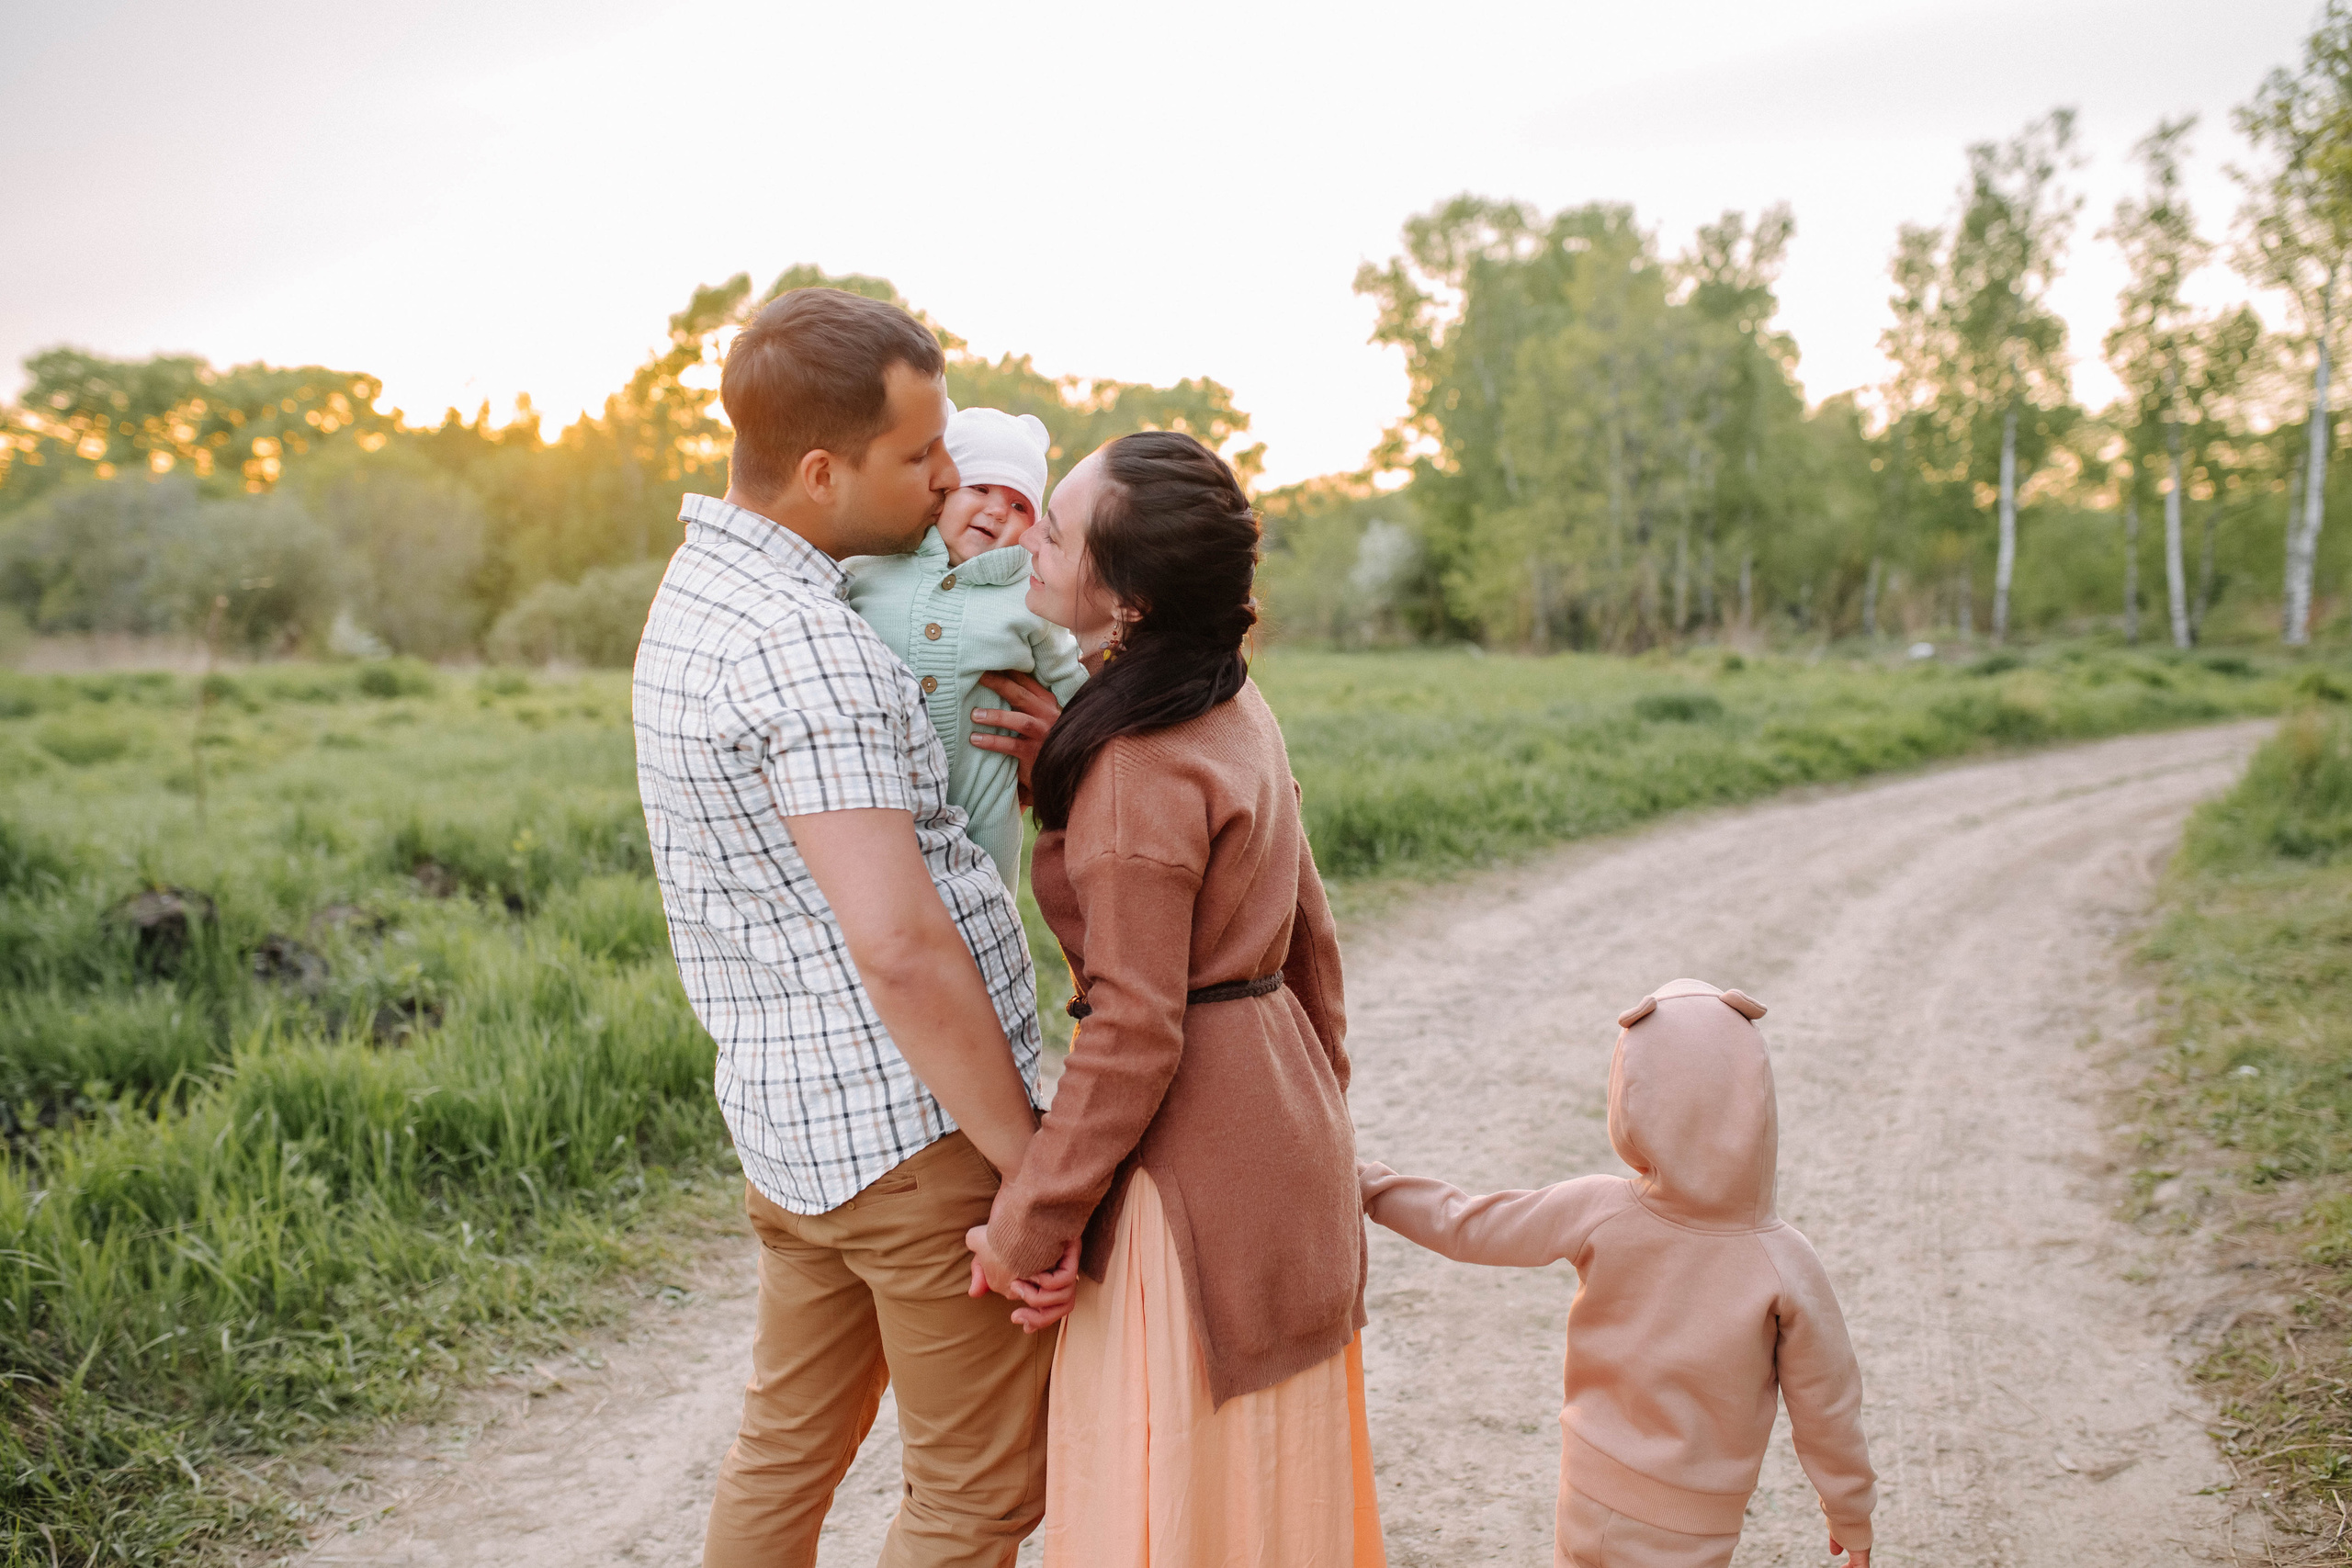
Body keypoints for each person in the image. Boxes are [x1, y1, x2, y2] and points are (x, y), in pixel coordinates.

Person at [631, 286, 1079, 1568]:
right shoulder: (808, 649)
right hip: (914, 1133)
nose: (949, 475)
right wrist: (1027, 1163)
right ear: (822, 470)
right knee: (977, 1492)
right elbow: (900, 941)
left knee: (784, 1451)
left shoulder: (700, 597)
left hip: (792, 1119)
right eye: (919, 454)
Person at [961, 431, 1385, 1568]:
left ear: (1130, 599)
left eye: (1055, 531)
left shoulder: (1138, 765)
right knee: (1268, 1488)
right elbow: (1313, 947)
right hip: (1282, 1140)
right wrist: (1318, 1119)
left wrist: (1027, 1225)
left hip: (1189, 1179)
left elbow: (1134, 1032)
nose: (1028, 545)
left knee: (1169, 1494)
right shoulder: (1232, 706)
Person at [1357, 977, 1876, 1568]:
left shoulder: (1598, 1209)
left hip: (1586, 1490)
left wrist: (1367, 1184)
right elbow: (1828, 1403)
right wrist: (1850, 1512)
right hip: (1692, 1523)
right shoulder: (1784, 1260)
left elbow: (1467, 1226)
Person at [845, 406, 1086, 895]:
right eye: (980, 489)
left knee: (982, 915)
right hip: (875, 792)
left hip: (983, 804)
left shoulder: (1029, 595)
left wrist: (1079, 740)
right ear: (942, 493)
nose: (999, 511)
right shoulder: (873, 565)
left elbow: (1072, 680)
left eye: (1020, 506)